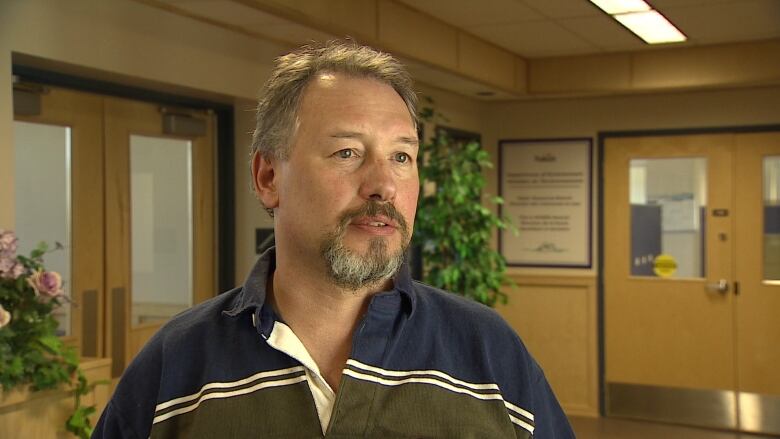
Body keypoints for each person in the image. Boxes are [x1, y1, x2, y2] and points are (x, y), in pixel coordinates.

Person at [93, 40, 574, 438]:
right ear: (267, 177)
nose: (384, 184)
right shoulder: (176, 364)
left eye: (402, 157)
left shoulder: (488, 352)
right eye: (347, 152)